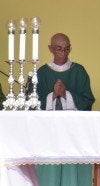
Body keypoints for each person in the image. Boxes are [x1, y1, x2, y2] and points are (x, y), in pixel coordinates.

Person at [35, 33, 95, 186]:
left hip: (74, 132)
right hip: (48, 133)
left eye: (67, 49)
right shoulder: (41, 73)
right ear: (50, 49)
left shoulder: (79, 71)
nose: (63, 53)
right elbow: (32, 104)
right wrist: (54, 95)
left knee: (72, 169)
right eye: (59, 49)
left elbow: (88, 100)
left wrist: (66, 94)